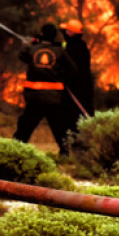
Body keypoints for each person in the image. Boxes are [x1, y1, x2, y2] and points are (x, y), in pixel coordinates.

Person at [13, 23, 77, 154]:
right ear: (54, 36)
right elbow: (73, 70)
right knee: (59, 128)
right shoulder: (60, 51)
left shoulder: (32, 50)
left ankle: (14, 152)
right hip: (54, 99)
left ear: (41, 34)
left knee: (25, 127)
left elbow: (22, 56)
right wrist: (60, 75)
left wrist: (30, 44)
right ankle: (65, 154)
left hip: (34, 98)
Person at [60, 19, 94, 132]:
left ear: (71, 33)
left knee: (75, 116)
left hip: (75, 88)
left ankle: (78, 141)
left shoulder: (74, 48)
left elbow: (70, 67)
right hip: (82, 87)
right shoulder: (79, 46)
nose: (64, 33)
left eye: (66, 31)